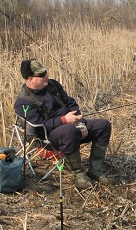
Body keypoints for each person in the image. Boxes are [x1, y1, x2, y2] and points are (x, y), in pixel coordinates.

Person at [14, 59, 112, 189]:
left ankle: (95, 170)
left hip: (72, 125)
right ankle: (79, 175)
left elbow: (70, 102)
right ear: (31, 78)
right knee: (68, 131)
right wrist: (64, 121)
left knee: (103, 125)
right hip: (47, 136)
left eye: (46, 72)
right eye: (42, 74)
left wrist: (80, 123)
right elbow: (39, 126)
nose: (46, 76)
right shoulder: (23, 102)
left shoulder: (52, 85)